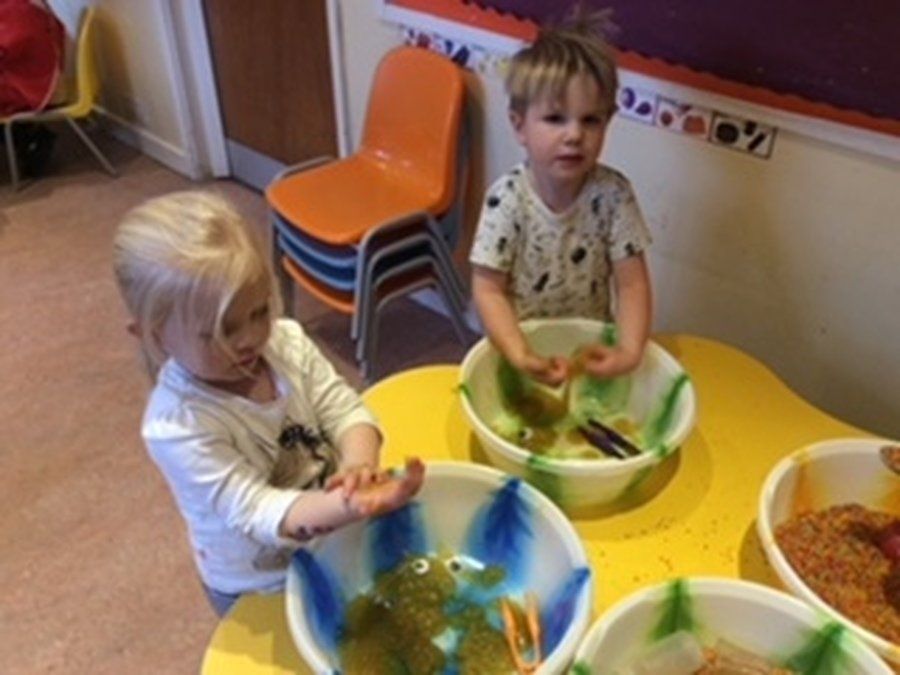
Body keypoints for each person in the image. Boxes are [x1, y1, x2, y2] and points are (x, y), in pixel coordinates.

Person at [112, 191, 424, 616]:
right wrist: (350, 506)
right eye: (221, 331)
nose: (249, 339)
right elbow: (258, 510)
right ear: (154, 335)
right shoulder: (176, 426)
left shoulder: (286, 342)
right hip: (258, 583)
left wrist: (358, 466)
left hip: (330, 534)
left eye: (259, 313)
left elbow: (343, 408)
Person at [469, 9, 652, 387]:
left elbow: (632, 285)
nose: (574, 135)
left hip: (589, 352)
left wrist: (629, 349)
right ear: (520, 125)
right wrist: (518, 352)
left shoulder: (614, 195)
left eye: (590, 120)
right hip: (523, 349)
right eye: (555, 119)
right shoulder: (506, 200)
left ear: (607, 122)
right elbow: (488, 289)